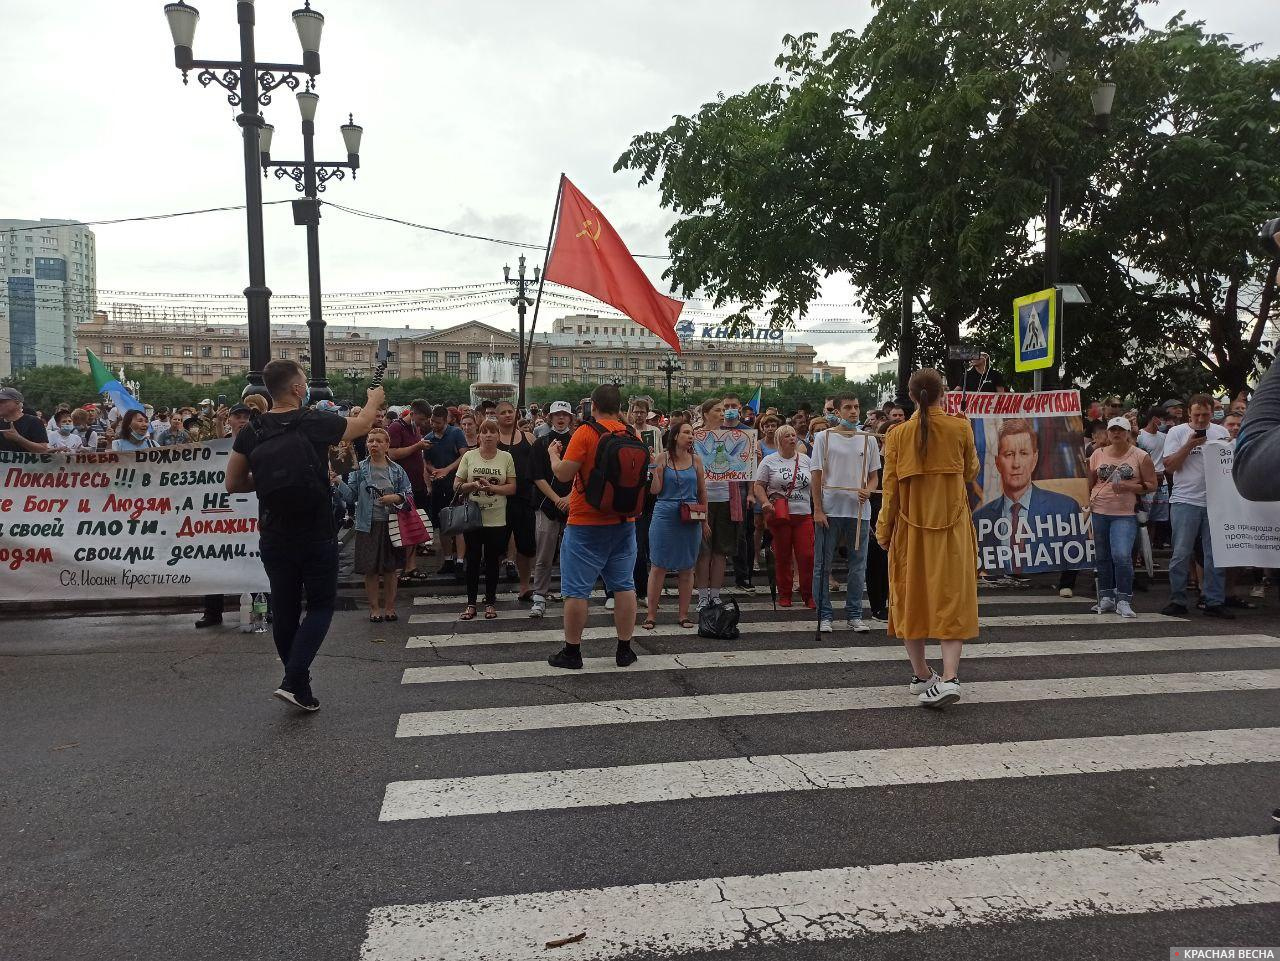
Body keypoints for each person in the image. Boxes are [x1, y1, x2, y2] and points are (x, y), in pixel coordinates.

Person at [227, 359, 385, 712]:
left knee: (284, 609)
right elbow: (361, 425)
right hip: (315, 530)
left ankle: (299, 684)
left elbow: (233, 483)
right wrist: (374, 398)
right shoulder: (313, 420)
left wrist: (267, 482)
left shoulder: (252, 430)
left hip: (274, 531)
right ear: (298, 388)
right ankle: (293, 677)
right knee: (320, 605)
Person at [876, 368, 980, 708]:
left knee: (910, 597)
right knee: (952, 595)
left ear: (910, 394)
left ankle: (922, 675)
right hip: (952, 526)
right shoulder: (959, 426)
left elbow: (889, 490)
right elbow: (971, 472)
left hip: (910, 527)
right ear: (943, 392)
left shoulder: (896, 435)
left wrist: (883, 529)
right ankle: (950, 677)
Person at [546, 383, 641, 670]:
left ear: (593, 407)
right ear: (620, 407)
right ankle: (625, 650)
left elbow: (564, 474)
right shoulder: (632, 434)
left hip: (586, 521)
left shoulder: (585, 433)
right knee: (624, 586)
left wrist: (553, 454)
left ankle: (572, 652)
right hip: (624, 521)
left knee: (576, 591)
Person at [971, 419, 1090, 575]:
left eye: (1023, 453)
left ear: (1034, 460)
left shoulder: (1065, 509)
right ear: (997, 462)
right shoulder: (980, 518)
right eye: (1009, 454)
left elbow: (1078, 565)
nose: (1016, 464)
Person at [812, 393, 881, 632]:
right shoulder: (824, 437)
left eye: (857, 406)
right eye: (849, 408)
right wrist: (818, 509)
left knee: (858, 565)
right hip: (831, 508)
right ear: (838, 412)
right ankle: (825, 614)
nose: (854, 411)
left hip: (859, 510)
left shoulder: (868, 439)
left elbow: (874, 477)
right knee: (823, 564)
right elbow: (817, 475)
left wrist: (869, 491)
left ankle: (854, 614)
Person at [1161, 394, 1232, 619]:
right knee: (1181, 553)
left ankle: (1213, 601)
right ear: (1189, 414)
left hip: (1215, 501)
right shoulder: (1177, 432)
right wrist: (1191, 443)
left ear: (1212, 413)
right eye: (1196, 415)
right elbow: (1170, 467)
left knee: (1215, 555)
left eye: (1205, 415)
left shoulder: (1221, 433)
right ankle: (1177, 600)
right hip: (1185, 500)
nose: (1201, 419)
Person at [338, 426, 412, 622]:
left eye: (379, 441)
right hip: (367, 524)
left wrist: (395, 497)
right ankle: (374, 608)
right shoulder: (359, 469)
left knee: (390, 569)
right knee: (370, 570)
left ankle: (390, 607)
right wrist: (338, 482)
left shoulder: (396, 470)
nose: (374, 444)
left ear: (387, 445)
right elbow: (351, 495)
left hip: (392, 523)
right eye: (371, 441)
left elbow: (408, 495)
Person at [1088, 417, 1156, 618]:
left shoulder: (1141, 456)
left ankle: (1124, 598)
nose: (1116, 433)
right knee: (1102, 556)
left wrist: (1129, 487)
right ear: (1108, 433)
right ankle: (1106, 596)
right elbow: (1090, 482)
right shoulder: (1097, 454)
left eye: (1121, 430)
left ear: (1128, 433)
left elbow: (1152, 485)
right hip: (1099, 510)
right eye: (1112, 430)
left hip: (1124, 514)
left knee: (1121, 555)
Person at [644, 420, 707, 629]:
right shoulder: (663, 457)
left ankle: (683, 615)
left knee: (687, 567)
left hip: (690, 514)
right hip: (665, 513)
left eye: (692, 433)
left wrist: (705, 520)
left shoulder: (697, 460)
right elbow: (655, 490)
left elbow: (702, 492)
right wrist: (655, 471)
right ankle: (651, 615)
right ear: (675, 436)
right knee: (658, 565)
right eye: (686, 432)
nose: (690, 436)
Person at [455, 420, 517, 620]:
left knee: (492, 561)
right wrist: (472, 485)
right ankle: (471, 603)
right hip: (473, 516)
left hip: (497, 517)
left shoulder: (506, 457)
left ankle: (490, 601)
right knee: (472, 560)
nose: (488, 435)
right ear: (479, 435)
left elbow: (512, 487)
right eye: (484, 432)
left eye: (492, 432)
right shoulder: (469, 456)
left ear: (498, 436)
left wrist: (491, 488)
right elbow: (456, 484)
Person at [755, 424, 815, 608]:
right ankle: (785, 593)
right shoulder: (769, 461)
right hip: (781, 515)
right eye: (787, 436)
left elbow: (815, 485)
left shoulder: (805, 460)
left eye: (794, 435)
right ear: (780, 439)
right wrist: (765, 502)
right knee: (782, 556)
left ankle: (808, 594)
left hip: (803, 514)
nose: (792, 438)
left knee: (806, 555)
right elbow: (758, 485)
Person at [529, 401, 575, 618]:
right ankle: (539, 594)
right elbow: (537, 476)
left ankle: (571, 592)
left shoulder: (578, 441)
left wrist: (569, 498)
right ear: (550, 417)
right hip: (546, 504)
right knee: (544, 553)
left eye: (565, 415)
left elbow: (584, 475)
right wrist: (557, 498)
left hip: (574, 504)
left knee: (573, 553)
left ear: (570, 418)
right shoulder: (540, 443)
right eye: (557, 414)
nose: (561, 418)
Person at [494, 400, 538, 599]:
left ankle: (524, 585)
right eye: (503, 412)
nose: (507, 415)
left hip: (524, 499)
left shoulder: (528, 437)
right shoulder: (491, 438)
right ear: (497, 416)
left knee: (526, 546)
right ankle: (492, 587)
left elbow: (539, 464)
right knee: (496, 546)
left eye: (510, 411)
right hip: (498, 500)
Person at [386, 399, 432, 584]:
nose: (422, 423)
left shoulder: (416, 429)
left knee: (413, 527)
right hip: (400, 486)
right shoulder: (396, 428)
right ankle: (400, 567)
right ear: (411, 414)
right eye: (420, 419)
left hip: (416, 484)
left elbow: (418, 459)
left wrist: (426, 479)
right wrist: (417, 446)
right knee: (400, 528)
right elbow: (392, 453)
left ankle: (411, 565)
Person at [423, 405, 469, 574]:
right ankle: (448, 559)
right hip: (438, 486)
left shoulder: (456, 433)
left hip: (455, 485)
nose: (434, 425)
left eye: (437, 422)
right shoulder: (428, 438)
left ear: (446, 420)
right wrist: (432, 470)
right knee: (442, 525)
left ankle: (460, 560)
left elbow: (464, 455)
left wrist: (447, 470)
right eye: (432, 421)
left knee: (457, 524)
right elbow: (426, 462)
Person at [0, 387, 50, 454]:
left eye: (2, 401)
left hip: (27, 464)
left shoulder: (33, 422)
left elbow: (43, 450)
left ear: (17, 401)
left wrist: (19, 439)